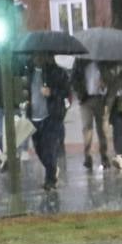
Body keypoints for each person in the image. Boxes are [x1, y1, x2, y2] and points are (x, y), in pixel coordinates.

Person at [26, 52, 71, 190]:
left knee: (49, 149)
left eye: (40, 56)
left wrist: (51, 92)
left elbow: (66, 91)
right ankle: (52, 168)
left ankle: (50, 179)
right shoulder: (28, 72)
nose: (37, 58)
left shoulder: (57, 72)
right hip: (34, 117)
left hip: (51, 116)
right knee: (39, 149)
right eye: (35, 56)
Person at [72, 58, 110, 172]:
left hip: (100, 99)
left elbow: (111, 79)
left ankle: (104, 155)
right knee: (87, 128)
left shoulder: (103, 62)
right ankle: (88, 156)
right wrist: (80, 91)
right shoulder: (80, 62)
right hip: (86, 99)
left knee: (102, 129)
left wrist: (104, 84)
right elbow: (74, 79)